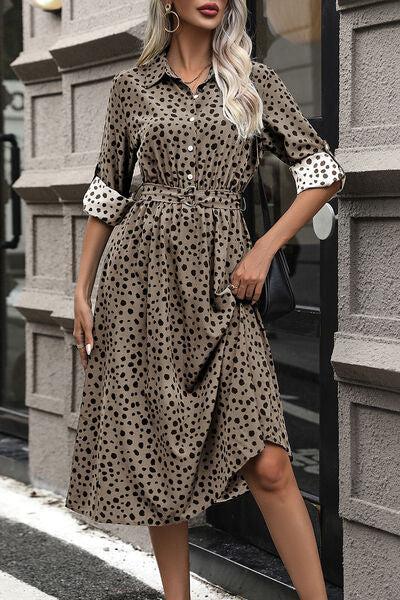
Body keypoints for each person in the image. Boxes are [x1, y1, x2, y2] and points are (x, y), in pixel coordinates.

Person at [65, 1, 346, 599]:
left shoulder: (251, 80)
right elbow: (107, 192)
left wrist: (265, 248)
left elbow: (322, 172)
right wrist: (81, 290)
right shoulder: (132, 87)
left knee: (270, 463)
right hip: (140, 287)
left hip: (226, 287)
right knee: (158, 447)